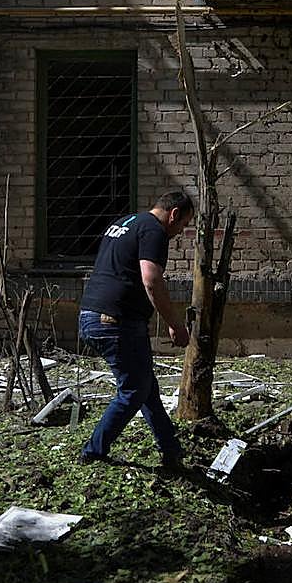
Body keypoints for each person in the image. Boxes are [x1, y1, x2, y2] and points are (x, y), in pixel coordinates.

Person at [78, 191, 195, 468]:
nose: (181, 232)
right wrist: (175, 324)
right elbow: (151, 279)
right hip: (115, 321)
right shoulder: (154, 230)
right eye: (183, 224)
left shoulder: (125, 223)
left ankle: (171, 452)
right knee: (133, 390)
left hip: (91, 313)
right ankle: (93, 453)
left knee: (146, 387)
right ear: (174, 214)